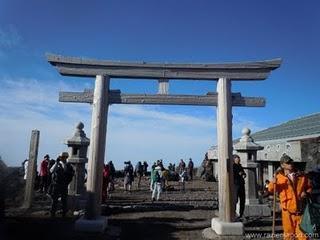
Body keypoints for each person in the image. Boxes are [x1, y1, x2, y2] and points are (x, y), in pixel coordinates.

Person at [268, 154, 312, 240]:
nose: (290, 164)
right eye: (287, 163)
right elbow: (270, 189)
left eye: (291, 162)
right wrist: (273, 182)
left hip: (301, 210)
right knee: (289, 235)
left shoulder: (302, 176)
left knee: (303, 236)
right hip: (287, 211)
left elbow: (309, 188)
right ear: (282, 165)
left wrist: (306, 193)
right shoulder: (278, 178)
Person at [50, 152, 74, 217]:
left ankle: (64, 213)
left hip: (64, 184)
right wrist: (56, 163)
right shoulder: (57, 164)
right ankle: (53, 213)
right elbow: (51, 171)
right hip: (56, 184)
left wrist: (67, 182)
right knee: (55, 199)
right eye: (62, 157)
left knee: (64, 200)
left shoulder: (68, 165)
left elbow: (71, 174)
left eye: (64, 157)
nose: (63, 158)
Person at [233, 154, 246, 219]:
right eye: (237, 159)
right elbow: (233, 175)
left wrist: (243, 174)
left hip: (241, 184)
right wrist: (239, 174)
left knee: (242, 199)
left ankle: (241, 213)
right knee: (235, 200)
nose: (238, 160)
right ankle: (234, 213)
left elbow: (244, 173)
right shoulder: (233, 166)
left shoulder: (240, 166)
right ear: (234, 160)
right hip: (235, 185)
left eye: (239, 159)